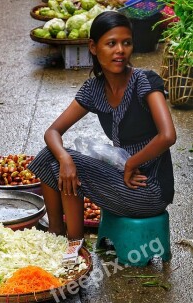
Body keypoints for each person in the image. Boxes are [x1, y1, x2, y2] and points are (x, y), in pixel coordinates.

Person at [28, 11, 177, 240]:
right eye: (111, 43)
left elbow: (168, 135)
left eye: (126, 43)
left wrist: (130, 164)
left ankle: (74, 244)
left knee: (68, 162)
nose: (120, 50)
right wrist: (65, 159)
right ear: (93, 47)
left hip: (149, 190)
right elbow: (53, 131)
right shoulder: (94, 89)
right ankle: (56, 231)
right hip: (123, 182)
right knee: (52, 156)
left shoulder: (145, 81)